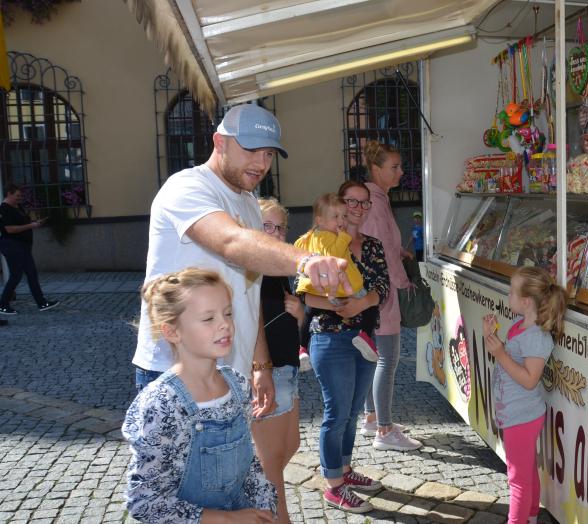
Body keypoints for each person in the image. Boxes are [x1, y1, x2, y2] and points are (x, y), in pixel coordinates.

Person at [131, 103, 349, 421]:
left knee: (229, 471)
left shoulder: (248, 203)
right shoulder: (186, 187)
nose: (261, 163)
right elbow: (231, 242)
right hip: (176, 376)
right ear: (220, 142)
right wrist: (307, 260)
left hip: (232, 376)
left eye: (269, 154)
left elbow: (249, 294)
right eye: (251, 149)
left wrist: (260, 365)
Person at [123, 268, 277, 523]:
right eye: (208, 318)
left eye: (227, 313)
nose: (225, 324)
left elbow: (248, 466)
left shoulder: (237, 384)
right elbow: (145, 502)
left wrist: (265, 508)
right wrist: (228, 520)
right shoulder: (161, 405)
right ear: (172, 331)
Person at [301, 181, 390, 513]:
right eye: (351, 201)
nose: (358, 208)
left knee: (353, 413)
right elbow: (303, 293)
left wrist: (363, 303)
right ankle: (333, 485)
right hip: (329, 337)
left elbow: (384, 286)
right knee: (336, 414)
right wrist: (339, 302)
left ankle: (346, 470)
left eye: (365, 203)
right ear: (338, 205)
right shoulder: (316, 243)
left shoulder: (373, 246)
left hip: (364, 339)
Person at [482, 266, 567, 524]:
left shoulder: (536, 337)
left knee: (517, 478)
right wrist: (492, 338)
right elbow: (511, 363)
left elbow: (530, 380)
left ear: (526, 301)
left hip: (522, 415)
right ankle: (530, 515)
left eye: (511, 292)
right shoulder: (520, 326)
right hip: (515, 412)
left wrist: (500, 354)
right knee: (527, 470)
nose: (508, 296)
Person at [359, 141, 423, 451]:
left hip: (376, 291)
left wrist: (401, 252)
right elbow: (381, 251)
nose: (400, 172)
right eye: (394, 167)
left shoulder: (377, 199)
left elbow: (383, 243)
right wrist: (402, 282)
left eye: (400, 166)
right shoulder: (375, 200)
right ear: (376, 170)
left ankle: (373, 417)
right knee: (387, 359)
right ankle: (384, 431)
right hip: (382, 293)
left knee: (376, 357)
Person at [253, 198, 304, 524]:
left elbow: (287, 320)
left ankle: (255, 506)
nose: (274, 234)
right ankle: (277, 518)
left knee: (291, 445)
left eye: (279, 227)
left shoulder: (278, 270)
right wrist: (260, 370)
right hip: (268, 371)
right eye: (266, 226)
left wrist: (300, 316)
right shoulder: (250, 271)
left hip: (288, 367)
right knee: (270, 461)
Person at [294, 193, 377, 362]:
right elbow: (333, 256)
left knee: (309, 313)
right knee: (370, 309)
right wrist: (344, 238)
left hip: (323, 289)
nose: (341, 221)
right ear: (320, 220)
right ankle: (365, 336)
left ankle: (302, 347)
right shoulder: (327, 237)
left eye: (344, 216)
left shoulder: (312, 236)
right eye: (336, 217)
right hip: (338, 287)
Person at [0, 183, 60, 315]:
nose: (20, 198)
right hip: (12, 245)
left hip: (23, 246)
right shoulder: (4, 209)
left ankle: (42, 303)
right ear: (9, 194)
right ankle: (3, 304)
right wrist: (30, 226)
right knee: (16, 275)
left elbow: (24, 223)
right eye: (17, 195)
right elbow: (9, 229)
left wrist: (35, 223)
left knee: (32, 274)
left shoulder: (18, 207)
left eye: (20, 195)